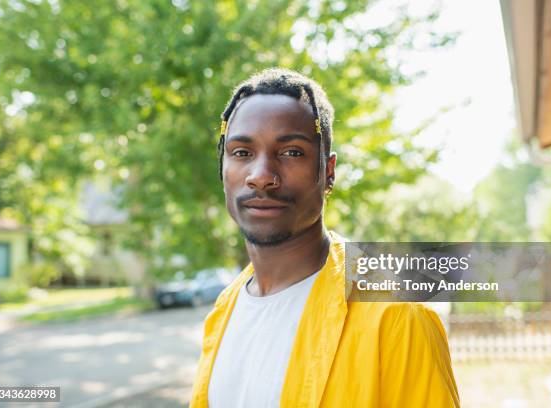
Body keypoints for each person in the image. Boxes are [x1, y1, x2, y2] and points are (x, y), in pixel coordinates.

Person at [190, 68, 460, 407]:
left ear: (328, 172)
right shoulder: (223, 311)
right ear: (223, 169)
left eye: (291, 152)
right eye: (242, 153)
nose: (261, 176)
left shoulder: (396, 315)